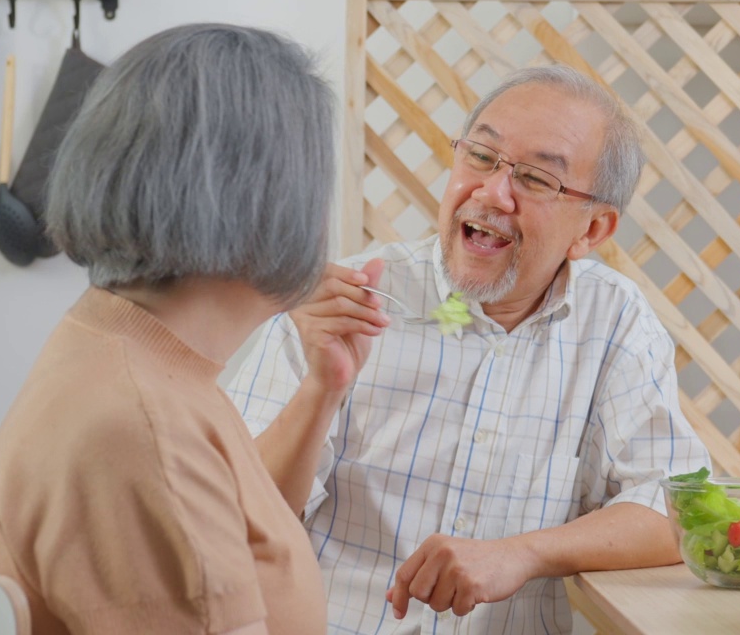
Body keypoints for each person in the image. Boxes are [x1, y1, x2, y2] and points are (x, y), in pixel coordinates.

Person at [229, 64, 711, 634]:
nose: (492, 193)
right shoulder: (339, 302)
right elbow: (236, 521)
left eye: (535, 178)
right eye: (481, 156)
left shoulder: (616, 322)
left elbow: (677, 508)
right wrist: (320, 388)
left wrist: (521, 554)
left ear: (592, 230)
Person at [0, 23, 337, 635]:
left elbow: (235, 523)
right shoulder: (143, 423)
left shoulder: (132, 355)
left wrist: (324, 386)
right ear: (263, 200)